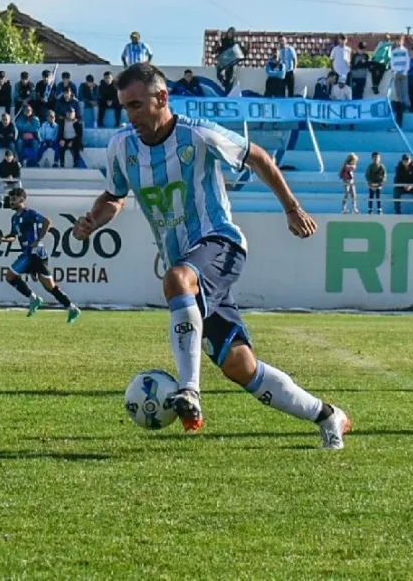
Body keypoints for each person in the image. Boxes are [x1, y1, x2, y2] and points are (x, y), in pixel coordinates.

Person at [72, 63, 349, 448]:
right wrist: (94, 220)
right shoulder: (122, 146)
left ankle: (190, 391)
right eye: (125, 107)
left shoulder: (197, 134)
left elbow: (258, 157)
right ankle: (328, 415)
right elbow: (115, 195)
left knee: (176, 280)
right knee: (240, 365)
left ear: (162, 98)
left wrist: (291, 208)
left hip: (221, 243)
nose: (129, 115)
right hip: (186, 262)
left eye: (136, 105)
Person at [0, 188, 81, 323]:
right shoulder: (15, 218)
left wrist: (38, 239)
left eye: (14, 199)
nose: (11, 201)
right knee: (49, 286)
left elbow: (47, 221)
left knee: (13, 277)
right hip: (28, 253)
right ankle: (71, 308)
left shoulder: (29, 213)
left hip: (35, 253)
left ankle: (36, 299)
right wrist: (3, 239)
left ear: (22, 200)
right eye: (10, 199)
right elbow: (13, 236)